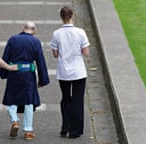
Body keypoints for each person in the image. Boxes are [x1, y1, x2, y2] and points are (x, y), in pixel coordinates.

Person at [0, 21, 49, 140]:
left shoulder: (12, 39)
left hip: (14, 72)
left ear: (23, 29)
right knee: (28, 102)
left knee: (12, 98)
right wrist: (43, 80)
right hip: (28, 75)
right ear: (34, 31)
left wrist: (3, 73)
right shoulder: (35, 41)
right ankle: (28, 130)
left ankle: (15, 120)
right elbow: (40, 61)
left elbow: (5, 57)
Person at [50, 6, 90, 139]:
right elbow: (86, 52)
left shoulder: (57, 34)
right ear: (72, 16)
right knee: (78, 100)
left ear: (61, 17)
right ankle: (75, 130)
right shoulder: (80, 32)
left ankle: (65, 126)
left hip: (64, 71)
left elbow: (55, 54)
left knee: (66, 99)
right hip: (78, 71)